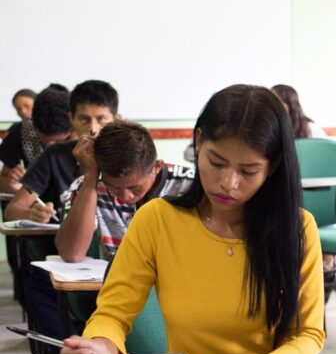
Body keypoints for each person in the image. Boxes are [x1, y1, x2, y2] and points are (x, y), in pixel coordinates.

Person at [60, 84, 336, 354]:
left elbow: (309, 333)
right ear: (197, 143)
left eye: (248, 171)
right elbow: (114, 312)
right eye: (216, 162)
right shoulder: (157, 221)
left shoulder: (296, 229)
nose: (228, 183)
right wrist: (100, 348)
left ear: (274, 166)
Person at [56, 121, 194, 262]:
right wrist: (91, 176)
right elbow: (71, 254)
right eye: (113, 187)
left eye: (135, 188)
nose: (124, 197)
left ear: (157, 167)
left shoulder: (190, 185)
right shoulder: (90, 185)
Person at [4, 79, 119, 222]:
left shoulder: (127, 154)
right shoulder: (53, 156)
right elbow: (12, 210)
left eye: (101, 119)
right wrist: (31, 214)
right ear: (71, 118)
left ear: (115, 118)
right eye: (84, 119)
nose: (93, 128)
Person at [0, 85, 72, 194]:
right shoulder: (21, 133)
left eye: (59, 142)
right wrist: (14, 186)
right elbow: (4, 182)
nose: (52, 149)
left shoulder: (86, 138)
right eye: (46, 142)